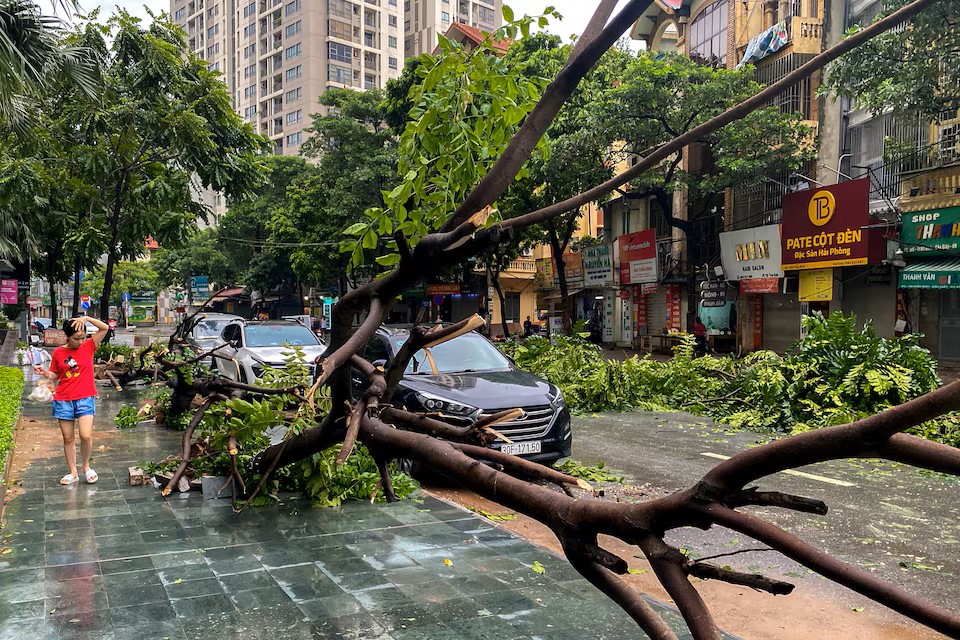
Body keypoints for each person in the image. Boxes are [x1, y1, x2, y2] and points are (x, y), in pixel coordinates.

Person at [34, 316, 109, 485]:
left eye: (83, 337)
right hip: (64, 399)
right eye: (77, 339)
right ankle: (73, 471)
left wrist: (86, 318)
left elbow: (104, 328)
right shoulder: (59, 352)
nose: (81, 342)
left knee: (86, 435)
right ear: (67, 336)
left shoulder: (89, 346)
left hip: (85, 397)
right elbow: (55, 374)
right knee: (68, 438)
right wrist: (45, 373)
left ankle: (86, 467)